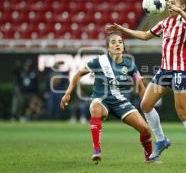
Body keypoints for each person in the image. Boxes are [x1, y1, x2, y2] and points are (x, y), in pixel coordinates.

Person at [106, 0, 186, 169]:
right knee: (145, 104)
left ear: (183, 7)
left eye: (173, 3)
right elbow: (144, 36)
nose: (169, 6)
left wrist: (180, 12)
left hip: (180, 71)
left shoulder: (185, 22)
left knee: (183, 113)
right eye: (168, 3)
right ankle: (161, 140)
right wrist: (122, 30)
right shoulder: (166, 23)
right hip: (164, 71)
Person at [60, 33, 153, 164]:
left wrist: (146, 106)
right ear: (108, 47)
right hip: (101, 99)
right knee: (96, 108)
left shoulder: (129, 64)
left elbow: (141, 87)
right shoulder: (99, 61)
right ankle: (96, 149)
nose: (117, 44)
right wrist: (67, 93)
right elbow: (78, 74)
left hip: (120, 101)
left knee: (145, 129)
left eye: (120, 42)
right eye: (113, 42)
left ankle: (149, 157)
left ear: (123, 46)